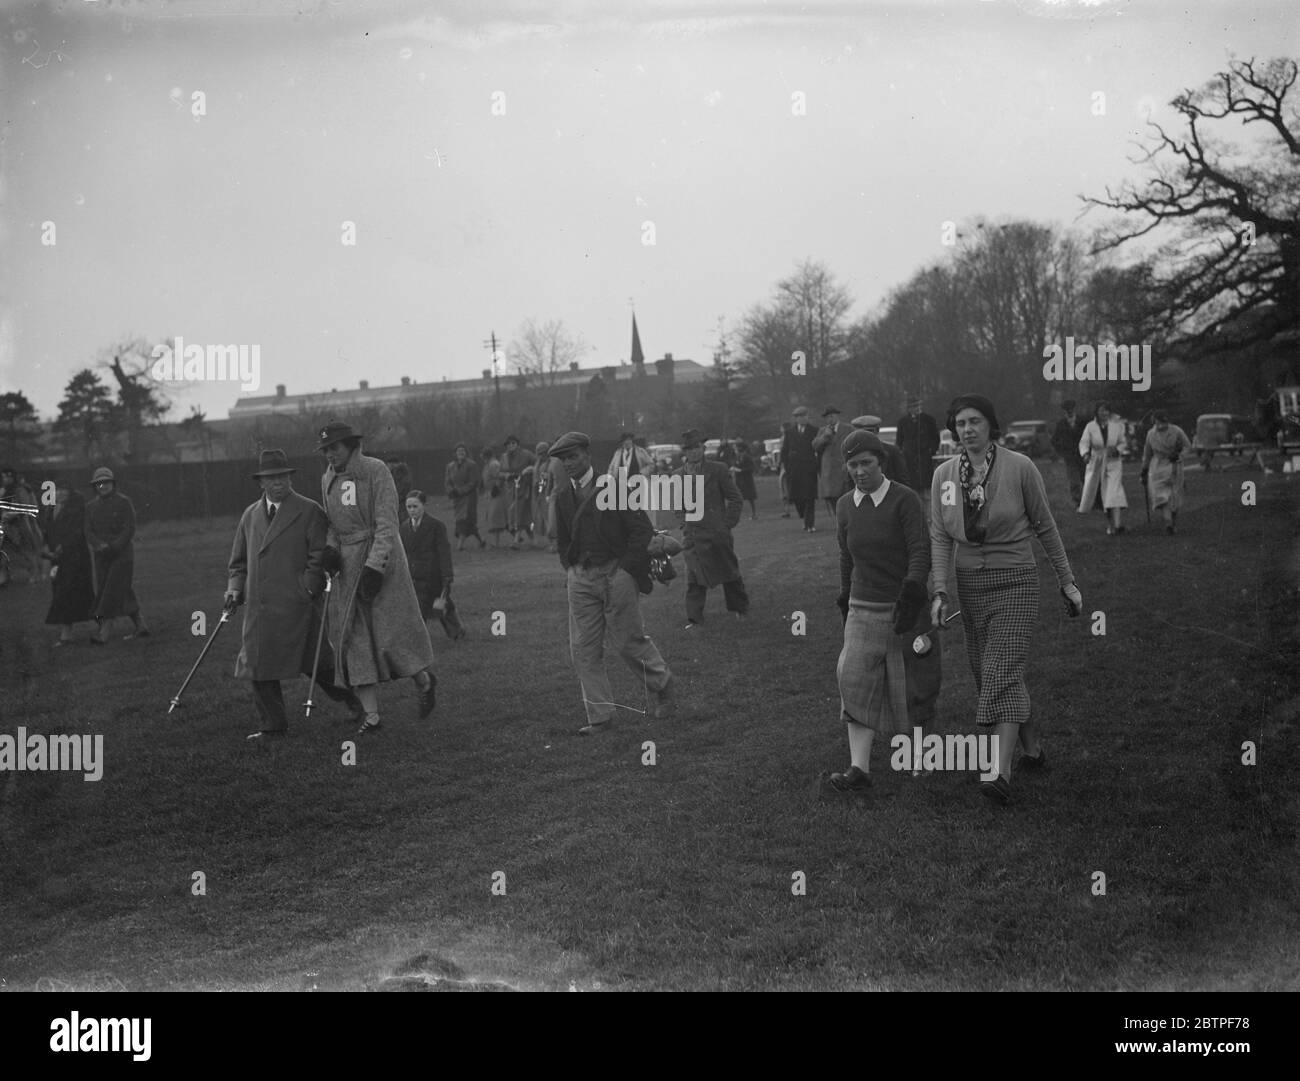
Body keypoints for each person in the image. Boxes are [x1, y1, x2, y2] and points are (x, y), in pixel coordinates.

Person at [930, 394, 1083, 805]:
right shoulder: (944, 476)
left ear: (990, 424)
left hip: (1016, 579)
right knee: (992, 672)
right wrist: (940, 590)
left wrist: (1067, 582)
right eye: (960, 422)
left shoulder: (1020, 467)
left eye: (975, 421)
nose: (967, 429)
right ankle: (1032, 749)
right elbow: (941, 535)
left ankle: (1000, 771)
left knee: (1000, 668)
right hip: (970, 585)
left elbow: (1046, 527)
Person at [225, 449, 364, 741]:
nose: (278, 483)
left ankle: (359, 702)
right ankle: (273, 726)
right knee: (257, 666)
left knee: (319, 665)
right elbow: (238, 562)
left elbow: (318, 555)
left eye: (283, 476)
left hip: (298, 605)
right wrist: (235, 589)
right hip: (260, 609)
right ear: (261, 483)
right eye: (271, 478)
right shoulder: (250, 515)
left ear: (290, 478)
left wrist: (307, 588)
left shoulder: (310, 510)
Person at [550, 431, 675, 735]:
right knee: (583, 648)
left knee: (628, 642)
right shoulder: (563, 497)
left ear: (588, 455)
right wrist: (571, 569)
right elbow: (563, 540)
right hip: (581, 578)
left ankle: (663, 685)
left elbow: (641, 532)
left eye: (573, 456)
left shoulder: (615, 487)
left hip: (616, 575)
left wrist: (626, 571)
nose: (568, 463)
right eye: (563, 459)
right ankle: (600, 716)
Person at [317, 420, 437, 735]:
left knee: (390, 634)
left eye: (335, 448)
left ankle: (424, 680)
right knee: (353, 637)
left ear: (351, 446)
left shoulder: (376, 471)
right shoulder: (327, 478)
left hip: (380, 561)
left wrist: (375, 566)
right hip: (347, 565)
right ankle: (371, 716)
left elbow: (387, 523)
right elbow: (332, 524)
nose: (331, 455)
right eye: (326, 450)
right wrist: (330, 549)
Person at [828, 430, 930, 793]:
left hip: (904, 606)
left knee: (910, 688)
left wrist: (913, 590)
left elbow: (920, 549)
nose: (859, 471)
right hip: (862, 606)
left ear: (881, 462)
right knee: (852, 679)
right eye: (852, 465)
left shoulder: (905, 499)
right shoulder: (843, 505)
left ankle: (920, 758)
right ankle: (860, 768)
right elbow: (845, 555)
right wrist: (844, 595)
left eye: (866, 463)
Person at [675, 429, 748, 629]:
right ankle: (695, 619)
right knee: (693, 576)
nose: (694, 452)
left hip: (718, 533)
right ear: (685, 452)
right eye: (689, 449)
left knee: (730, 572)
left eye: (697, 447)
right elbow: (677, 506)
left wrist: (726, 525)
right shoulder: (677, 476)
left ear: (704, 448)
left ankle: (740, 609)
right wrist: (684, 524)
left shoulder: (718, 469)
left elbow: (735, 498)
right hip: (692, 535)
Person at [85, 467, 150, 644]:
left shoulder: (124, 502)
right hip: (101, 556)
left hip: (121, 555)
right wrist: (99, 545)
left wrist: (114, 546)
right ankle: (141, 625)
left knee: (111, 592)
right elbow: (88, 531)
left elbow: (130, 527)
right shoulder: (90, 507)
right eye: (99, 483)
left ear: (113, 484)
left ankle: (104, 632)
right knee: (121, 589)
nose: (103, 486)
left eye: (106, 482)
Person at [401, 489, 465, 641]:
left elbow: (444, 552)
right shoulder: (403, 527)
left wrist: (447, 575)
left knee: (443, 604)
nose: (412, 510)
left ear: (423, 505)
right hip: (415, 576)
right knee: (419, 607)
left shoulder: (436, 526)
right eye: (408, 507)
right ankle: (419, 638)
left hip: (433, 575)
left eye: (415, 506)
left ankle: (457, 631)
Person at [42, 485, 95, 645]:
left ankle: (67, 634)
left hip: (75, 558)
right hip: (57, 558)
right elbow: (48, 531)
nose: (60, 493)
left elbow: (77, 531)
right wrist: (47, 548)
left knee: (73, 594)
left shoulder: (76, 509)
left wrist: (63, 546)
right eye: (57, 490)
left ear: (70, 492)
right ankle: (100, 623)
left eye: (64, 490)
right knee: (64, 593)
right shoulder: (50, 509)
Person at [1078, 401, 1129, 535]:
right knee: (1103, 494)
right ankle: (1110, 525)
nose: (1104, 413)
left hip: (1113, 461)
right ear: (1097, 412)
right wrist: (1085, 454)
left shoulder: (1116, 426)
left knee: (1114, 491)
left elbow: (1123, 442)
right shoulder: (1090, 427)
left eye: (1106, 410)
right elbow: (1084, 442)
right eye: (1101, 410)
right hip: (1097, 462)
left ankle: (1118, 525)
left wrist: (1118, 450)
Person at [1142, 411, 1192, 535]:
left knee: (1174, 497)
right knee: (1161, 497)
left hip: (1174, 466)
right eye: (1157, 423)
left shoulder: (1176, 431)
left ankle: (1173, 522)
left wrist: (1179, 455)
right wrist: (1144, 470)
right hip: (1157, 467)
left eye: (1162, 423)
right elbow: (1147, 454)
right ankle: (1168, 523)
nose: (1159, 426)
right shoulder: (1150, 434)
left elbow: (1188, 446)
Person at [779, 406, 820, 532]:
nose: (802, 418)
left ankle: (810, 524)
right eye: (799, 416)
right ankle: (804, 518)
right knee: (797, 497)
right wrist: (786, 466)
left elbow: (819, 449)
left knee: (809, 497)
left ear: (808, 417)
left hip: (809, 468)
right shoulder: (789, 432)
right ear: (795, 419)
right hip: (794, 469)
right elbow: (784, 450)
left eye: (804, 416)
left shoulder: (815, 431)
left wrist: (816, 466)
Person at [444, 443, 485, 551]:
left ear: (466, 453)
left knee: (464, 519)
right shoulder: (450, 466)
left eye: (463, 451)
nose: (460, 453)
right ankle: (481, 541)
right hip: (457, 498)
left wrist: (460, 491)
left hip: (469, 497)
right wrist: (451, 491)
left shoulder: (471, 465)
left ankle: (460, 545)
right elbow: (447, 481)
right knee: (466, 521)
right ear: (455, 453)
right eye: (458, 451)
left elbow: (474, 481)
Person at [896, 396, 941, 491]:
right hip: (909, 457)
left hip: (924, 456)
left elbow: (935, 437)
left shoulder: (928, 419)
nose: (916, 408)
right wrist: (900, 453)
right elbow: (899, 440)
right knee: (912, 484)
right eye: (913, 406)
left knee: (926, 485)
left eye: (917, 406)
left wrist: (932, 450)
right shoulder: (902, 422)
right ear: (909, 409)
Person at [500, 435, 536, 547]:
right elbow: (500, 472)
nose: (511, 446)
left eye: (513, 443)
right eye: (509, 444)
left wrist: (529, 472)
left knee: (520, 512)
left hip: (524, 488)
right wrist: (507, 476)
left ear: (517, 444)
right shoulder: (504, 457)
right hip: (509, 489)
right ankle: (533, 540)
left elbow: (537, 465)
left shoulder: (527, 454)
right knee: (514, 514)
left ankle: (516, 540)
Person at [813, 406, 849, 517]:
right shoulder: (822, 431)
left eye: (832, 416)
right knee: (832, 497)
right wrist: (825, 437)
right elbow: (815, 446)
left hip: (843, 469)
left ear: (837, 416)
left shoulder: (848, 429)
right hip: (828, 471)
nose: (830, 419)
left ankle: (847, 519)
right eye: (828, 417)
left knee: (846, 497)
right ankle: (839, 520)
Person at [849, 415, 908, 483]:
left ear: (877, 431)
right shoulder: (852, 452)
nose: (865, 436)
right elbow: (849, 482)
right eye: (860, 433)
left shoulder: (892, 451)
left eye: (869, 432)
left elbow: (903, 479)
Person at [1051, 399, 1088, 505]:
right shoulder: (1061, 424)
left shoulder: (1083, 421)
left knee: (1085, 479)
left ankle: (1088, 500)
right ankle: (1077, 501)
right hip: (1070, 457)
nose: (1069, 411)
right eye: (1067, 410)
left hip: (1083, 455)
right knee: (1074, 481)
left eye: (1071, 409)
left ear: (1074, 409)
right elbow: (1054, 440)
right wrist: (1062, 451)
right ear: (1064, 411)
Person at [480, 446, 509, 547]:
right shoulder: (488, 464)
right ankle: (514, 537)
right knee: (493, 518)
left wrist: (497, 487)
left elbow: (499, 476)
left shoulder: (493, 464)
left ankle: (496, 542)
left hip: (496, 493)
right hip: (490, 493)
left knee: (495, 517)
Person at [730, 439, 758, 520]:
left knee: (750, 498)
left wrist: (740, 470)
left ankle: (754, 514)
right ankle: (737, 515)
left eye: (735, 448)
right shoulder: (737, 457)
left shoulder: (746, 457)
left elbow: (751, 468)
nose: (734, 449)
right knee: (738, 498)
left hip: (747, 480)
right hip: (739, 480)